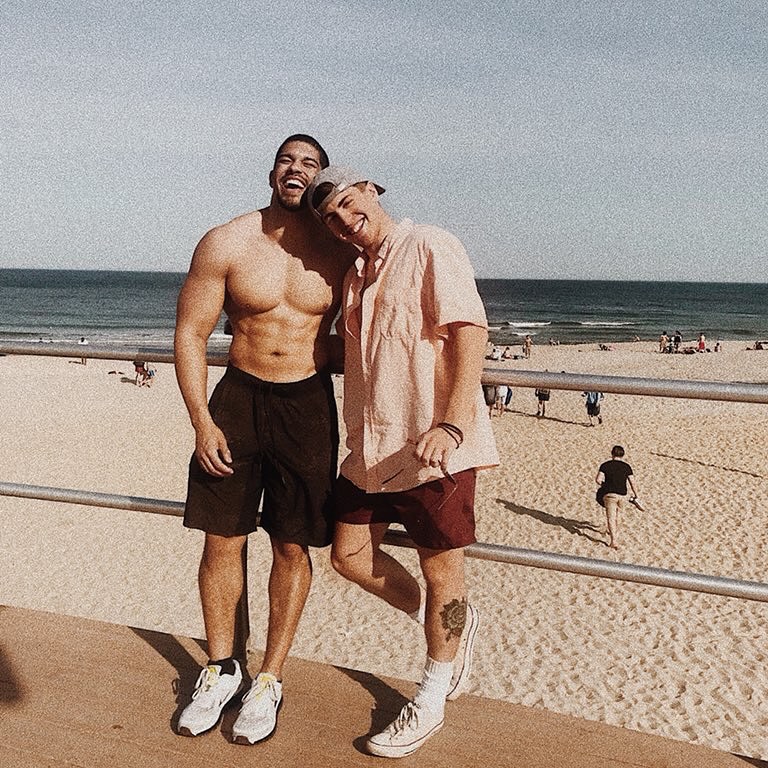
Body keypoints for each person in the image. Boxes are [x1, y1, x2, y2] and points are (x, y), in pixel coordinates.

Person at [306, 166, 499, 758]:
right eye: (331, 217)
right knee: (348, 557)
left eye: (347, 202)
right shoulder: (355, 276)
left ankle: (432, 696)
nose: (343, 219)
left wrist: (452, 424)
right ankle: (452, 624)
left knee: (444, 575)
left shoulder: (430, 244)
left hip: (433, 449)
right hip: (370, 451)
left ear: (371, 189)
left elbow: (470, 333)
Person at [173, 135, 355, 745]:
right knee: (221, 539)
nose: (295, 170)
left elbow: (376, 326)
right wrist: (202, 420)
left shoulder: (339, 250)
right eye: (287, 160)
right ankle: (221, 668)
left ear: (322, 178)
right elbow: (191, 333)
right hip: (238, 400)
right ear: (272, 171)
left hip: (307, 405)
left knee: (292, 545)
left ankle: (270, 679)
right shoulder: (226, 241)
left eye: (310, 164)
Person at [595, 445, 639, 550]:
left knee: (611, 517)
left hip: (609, 494)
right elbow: (632, 482)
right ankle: (615, 533)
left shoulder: (605, 465)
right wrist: (636, 495)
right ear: (622, 455)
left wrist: (605, 485)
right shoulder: (627, 467)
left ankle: (613, 540)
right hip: (622, 495)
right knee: (618, 516)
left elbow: (598, 480)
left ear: (612, 453)